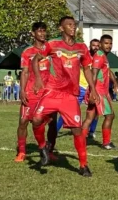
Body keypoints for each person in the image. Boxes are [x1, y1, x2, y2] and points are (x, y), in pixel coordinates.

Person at [28, 16, 99, 176]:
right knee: (36, 119)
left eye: (74, 25)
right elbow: (35, 61)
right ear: (61, 28)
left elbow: (87, 69)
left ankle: (83, 165)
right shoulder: (52, 44)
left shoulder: (82, 47)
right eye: (69, 25)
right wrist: (38, 79)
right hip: (52, 91)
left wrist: (92, 89)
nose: (73, 27)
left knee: (76, 130)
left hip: (70, 95)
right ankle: (42, 148)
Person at [15, 22, 59, 163]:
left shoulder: (51, 50)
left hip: (48, 93)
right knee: (23, 121)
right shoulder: (27, 52)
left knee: (52, 123)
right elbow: (25, 72)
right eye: (39, 31)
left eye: (44, 31)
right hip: (31, 91)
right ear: (33, 33)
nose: (42, 34)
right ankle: (22, 151)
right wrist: (22, 90)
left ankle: (49, 151)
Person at [81, 35, 118, 149]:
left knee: (89, 117)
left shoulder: (104, 57)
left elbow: (108, 71)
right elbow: (94, 74)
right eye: (106, 43)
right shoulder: (99, 56)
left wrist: (115, 83)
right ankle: (106, 143)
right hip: (98, 91)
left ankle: (80, 141)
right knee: (110, 116)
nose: (109, 46)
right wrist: (93, 91)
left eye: (110, 43)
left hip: (99, 90)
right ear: (101, 44)